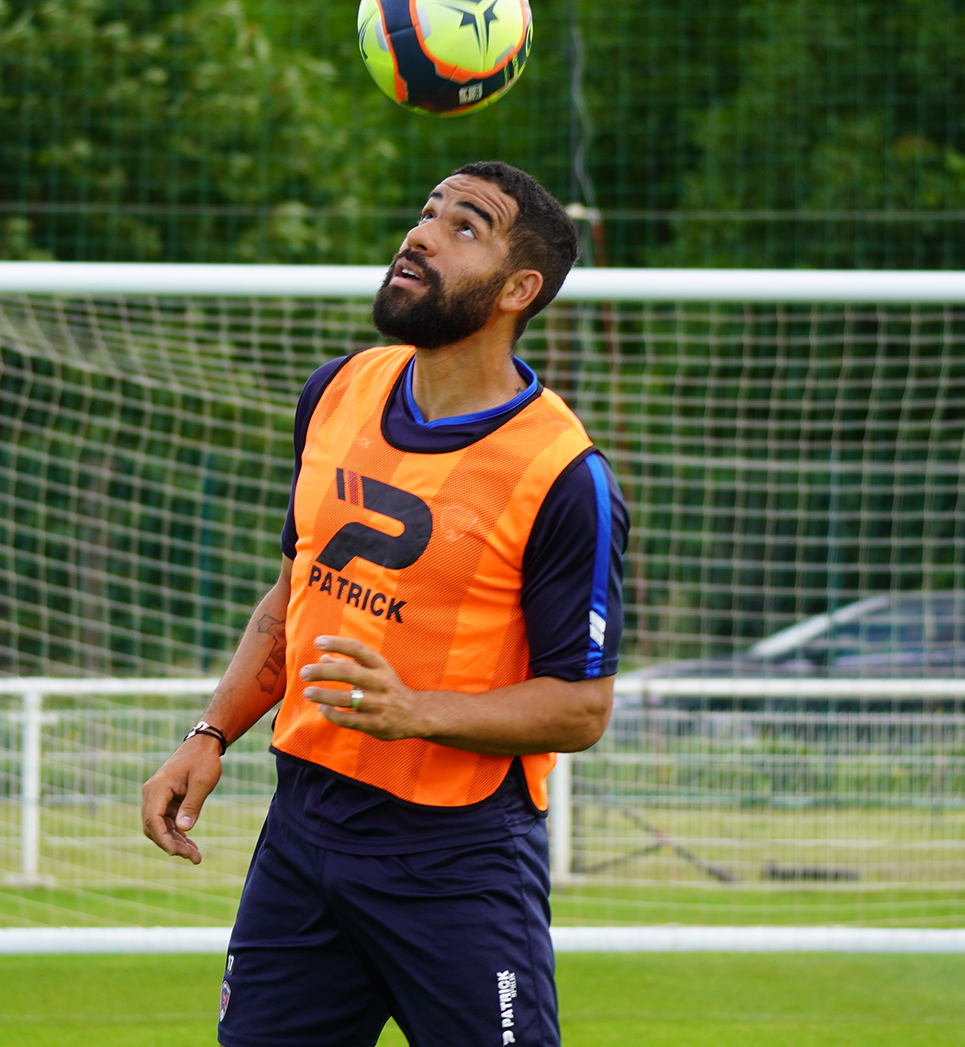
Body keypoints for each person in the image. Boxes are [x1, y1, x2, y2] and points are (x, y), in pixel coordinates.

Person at [140, 160, 628, 1047]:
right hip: (304, 827)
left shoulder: (564, 475)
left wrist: (415, 712)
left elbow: (582, 706)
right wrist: (209, 735)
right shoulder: (338, 389)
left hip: (457, 855)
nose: (421, 235)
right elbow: (296, 590)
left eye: (464, 227)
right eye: (426, 213)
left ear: (520, 288)